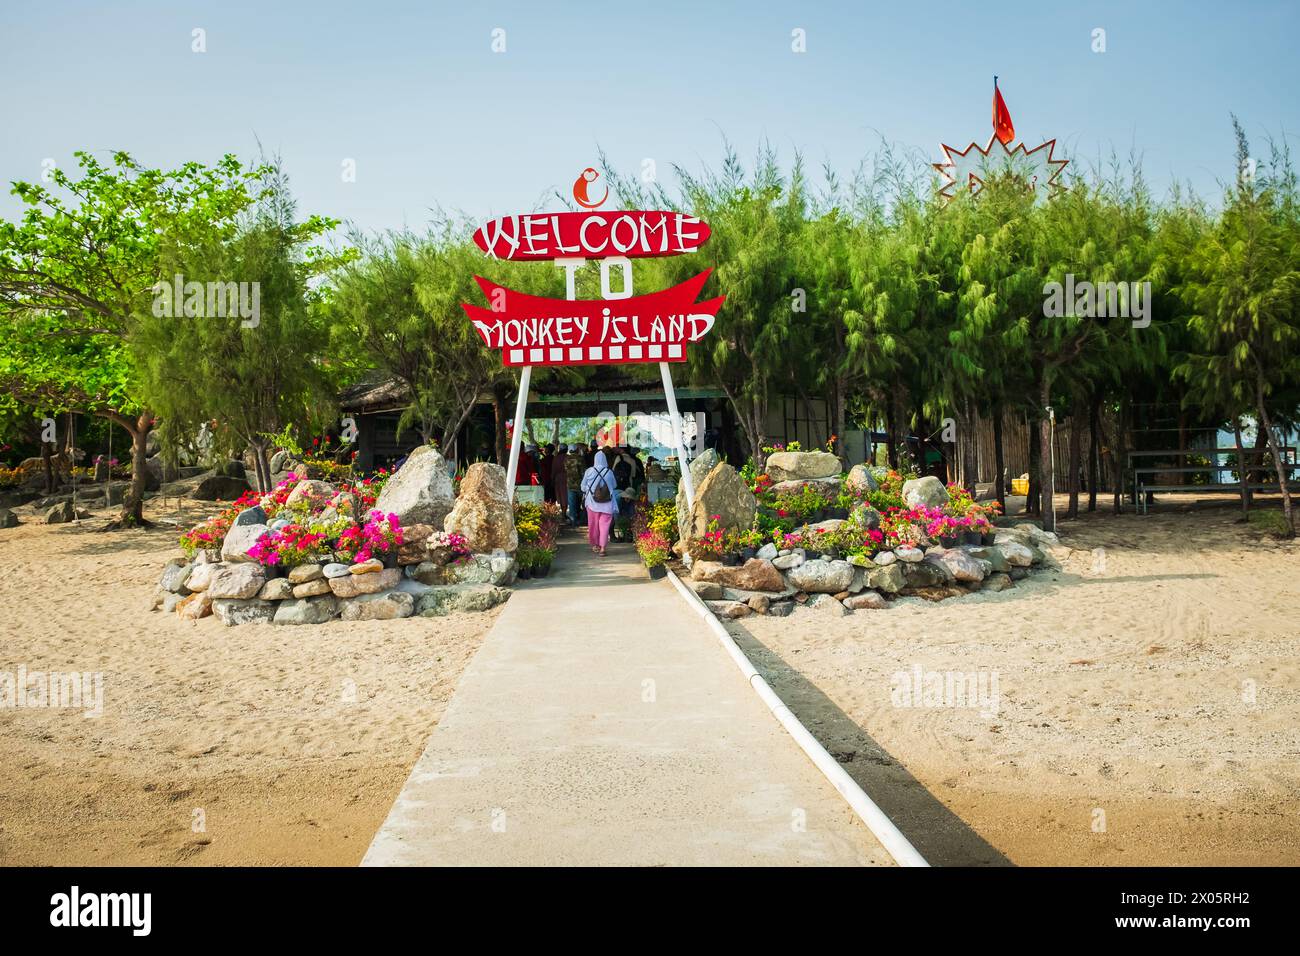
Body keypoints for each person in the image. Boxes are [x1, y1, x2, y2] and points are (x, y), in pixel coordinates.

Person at [581, 449, 619, 556]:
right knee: (604, 526)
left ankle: (595, 545)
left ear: (595, 460)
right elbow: (615, 486)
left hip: (592, 504)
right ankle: (603, 548)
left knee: (593, 525)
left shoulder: (589, 471)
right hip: (607, 504)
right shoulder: (609, 472)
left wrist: (590, 488)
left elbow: (582, 487)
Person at [564, 444, 586, 526]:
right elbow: (584, 472)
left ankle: (573, 521)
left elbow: (566, 470)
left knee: (572, 504)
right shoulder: (581, 459)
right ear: (576, 450)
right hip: (580, 485)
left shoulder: (566, 459)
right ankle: (580, 519)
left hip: (570, 484)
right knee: (580, 503)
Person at [552, 444, 569, 519]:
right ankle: (564, 513)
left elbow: (554, 470)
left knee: (562, 496)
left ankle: (563, 512)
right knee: (567, 495)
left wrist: (552, 479)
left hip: (559, 478)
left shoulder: (556, 458)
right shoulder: (568, 457)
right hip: (568, 478)